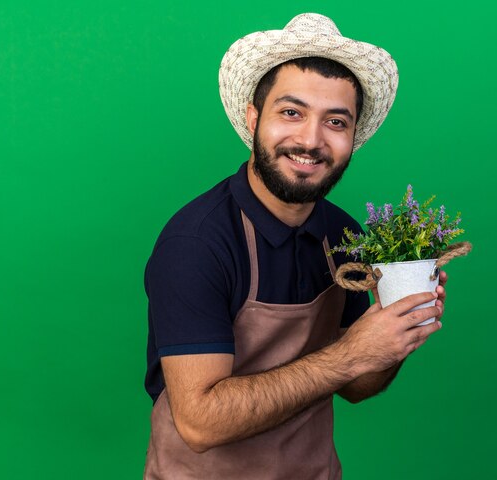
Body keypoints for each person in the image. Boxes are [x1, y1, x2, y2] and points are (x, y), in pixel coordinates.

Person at [143, 13, 448, 479]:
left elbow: (358, 385)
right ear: (253, 117)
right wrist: (349, 353)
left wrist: (396, 329)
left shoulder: (343, 236)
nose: (310, 139)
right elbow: (198, 423)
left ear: (352, 138)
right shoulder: (198, 243)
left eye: (335, 121)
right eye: (291, 112)